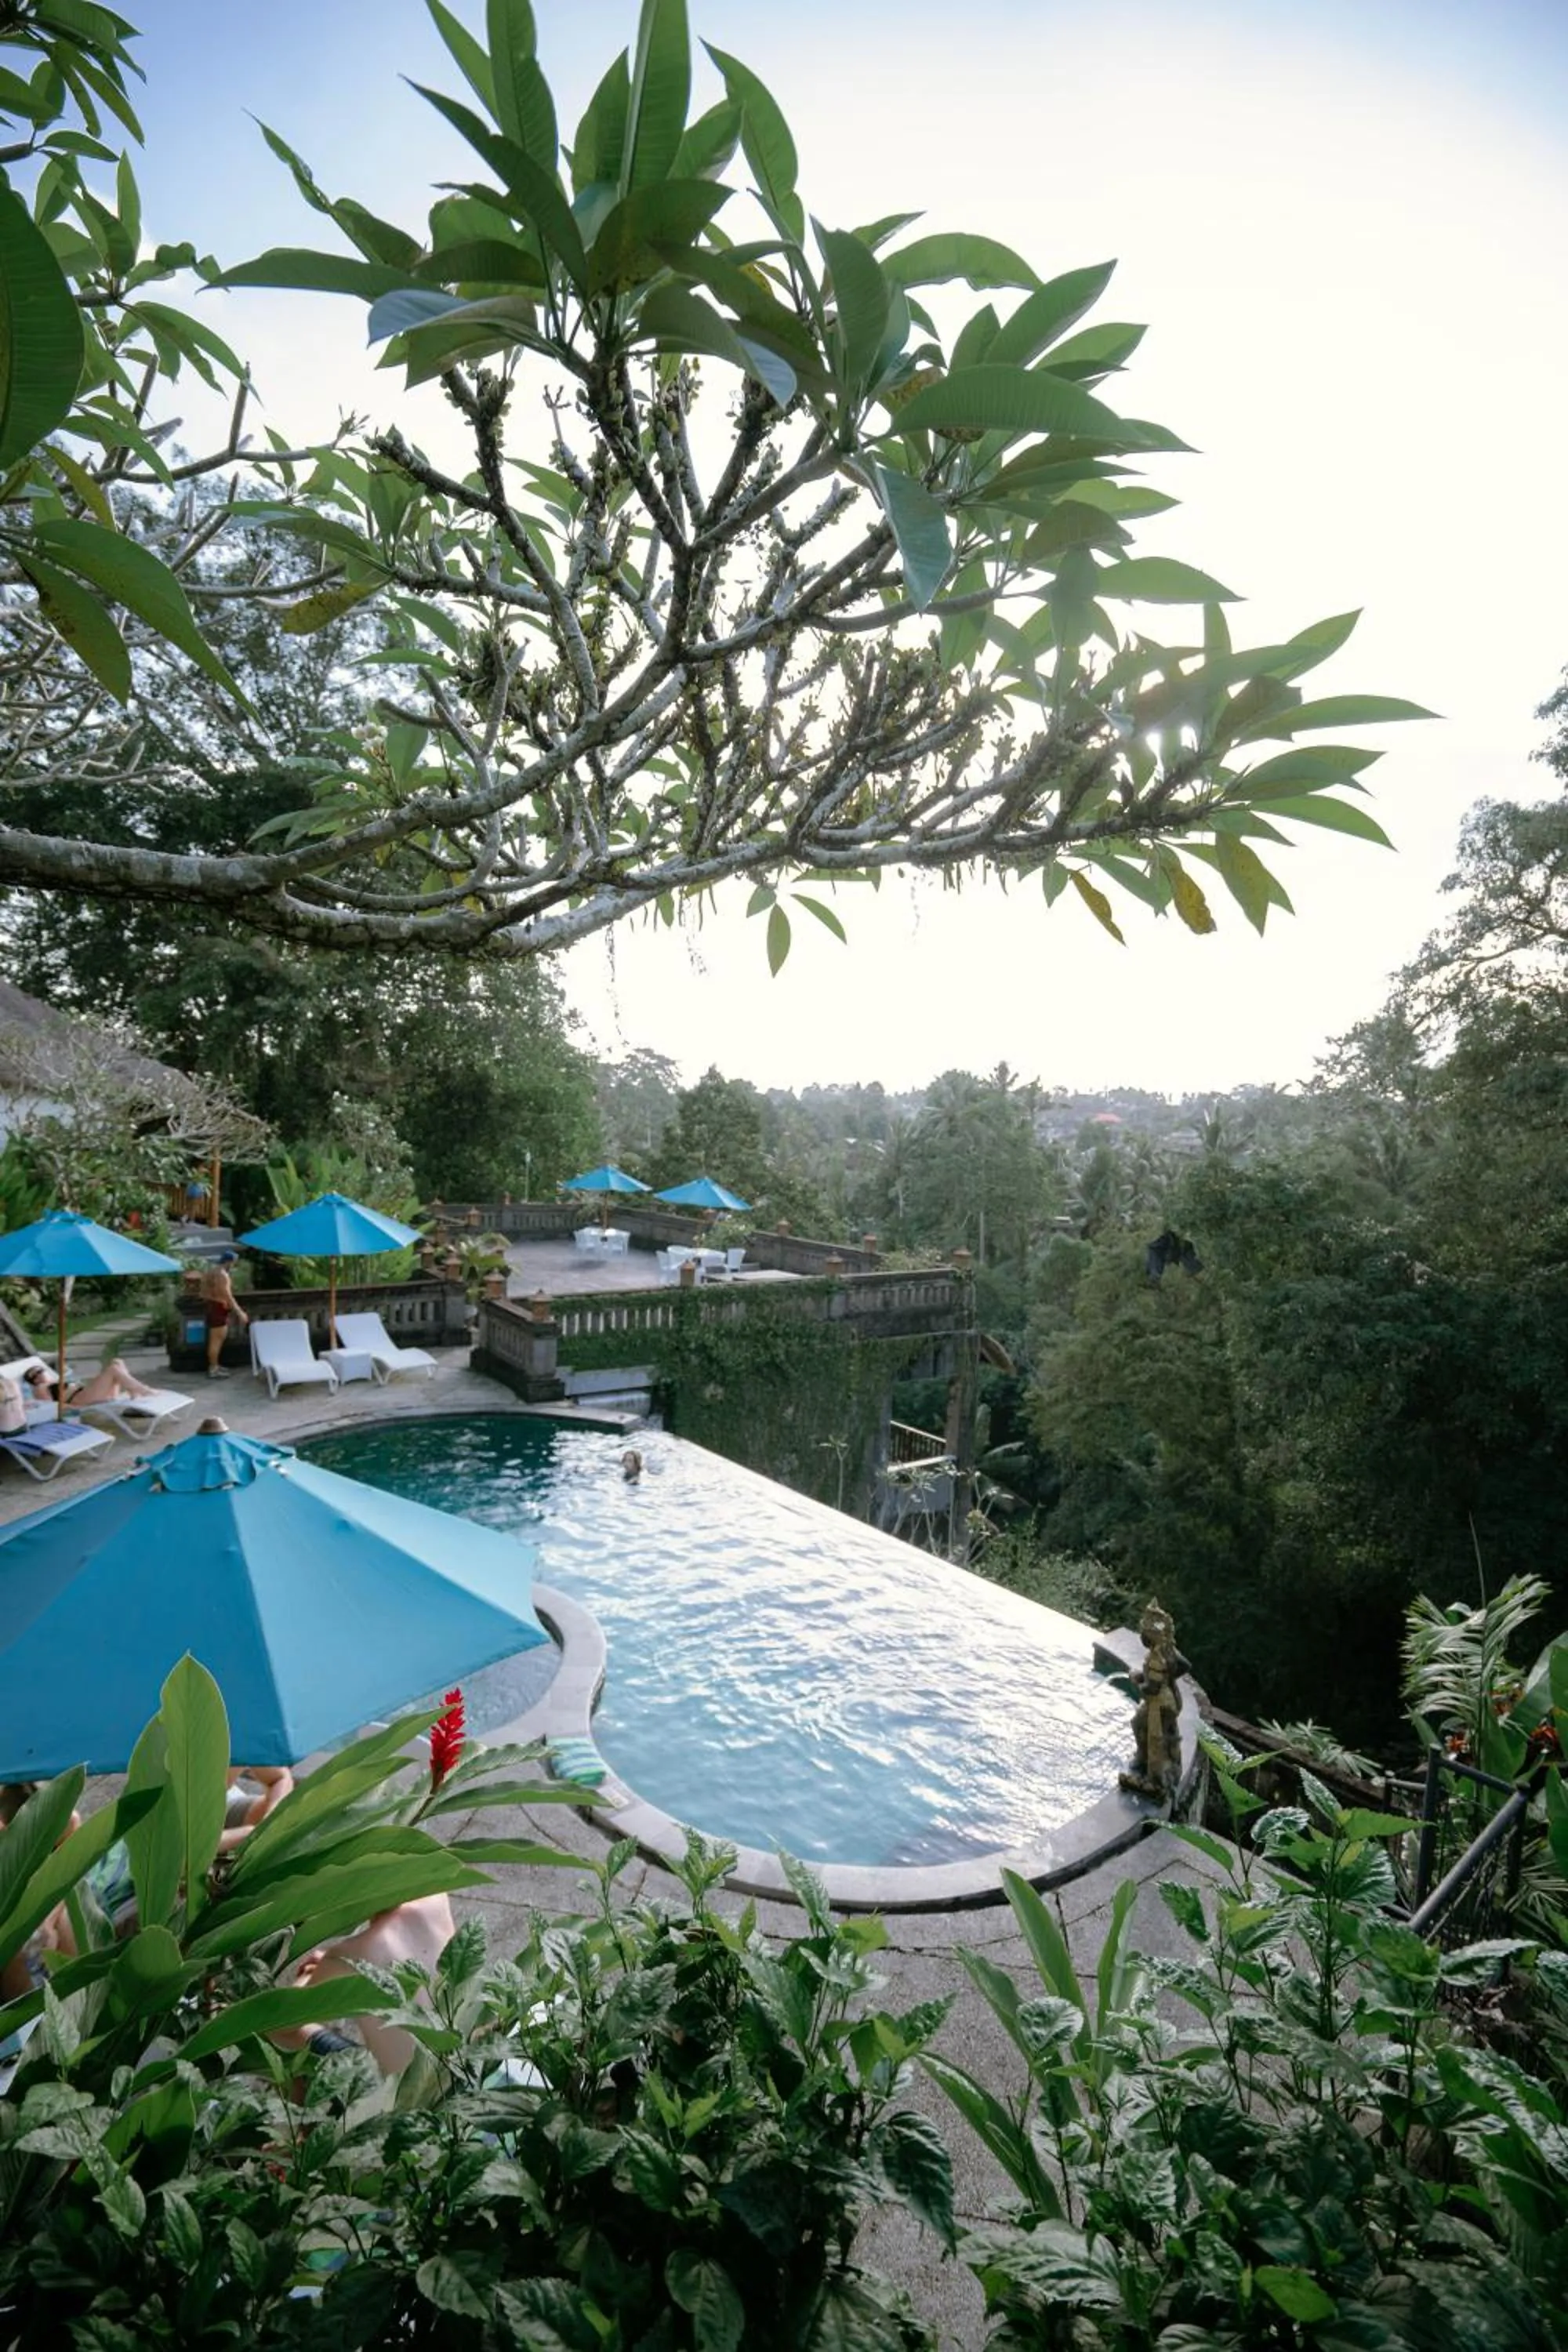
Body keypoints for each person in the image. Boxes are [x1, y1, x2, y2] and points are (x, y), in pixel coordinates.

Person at [23, 1359, 159, 1412]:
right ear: (34, 1381)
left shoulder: (55, 1380)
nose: (39, 1375)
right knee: (113, 1370)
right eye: (34, 1376)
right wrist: (76, 1408)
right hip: (84, 1399)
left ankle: (134, 1391)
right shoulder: (40, 1388)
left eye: (40, 1370)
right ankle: (143, 1390)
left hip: (90, 1393)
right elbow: (51, 1406)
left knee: (117, 1363)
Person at [200, 1250, 249, 1379]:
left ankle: (215, 1365)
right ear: (229, 1262)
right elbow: (228, 1295)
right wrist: (239, 1312)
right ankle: (214, 1369)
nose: (233, 1266)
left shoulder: (210, 1273)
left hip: (211, 1306)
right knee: (217, 1340)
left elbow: (202, 1293)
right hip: (219, 1308)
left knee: (215, 1339)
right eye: (233, 1263)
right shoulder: (222, 1275)